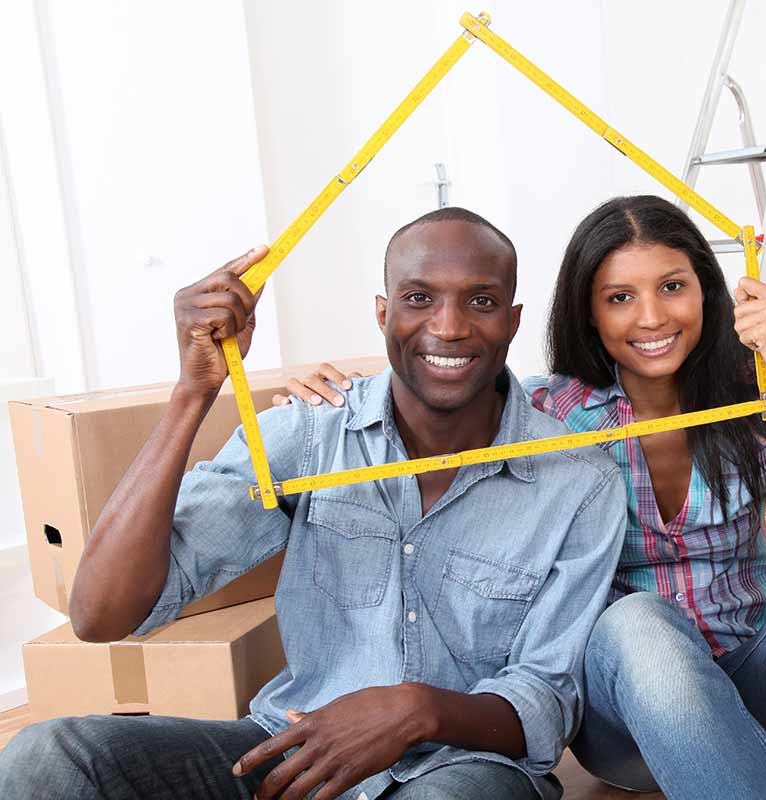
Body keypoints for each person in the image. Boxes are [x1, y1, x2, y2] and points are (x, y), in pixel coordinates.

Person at [280, 195, 766, 799]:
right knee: (638, 621)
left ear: (708, 295)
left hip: (756, 685)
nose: (652, 316)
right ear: (589, 312)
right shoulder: (547, 414)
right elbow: (436, 370)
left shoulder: (755, 405)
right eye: (620, 297)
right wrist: (327, 401)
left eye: (672, 287)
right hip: (626, 711)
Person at [0, 209, 628, 800]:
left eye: (481, 301)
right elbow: (101, 615)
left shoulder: (579, 478)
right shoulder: (308, 433)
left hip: (464, 769)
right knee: (47, 757)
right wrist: (195, 390)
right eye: (418, 298)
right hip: (291, 751)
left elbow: (546, 703)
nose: (449, 326)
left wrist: (414, 710)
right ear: (382, 314)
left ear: (513, 321)